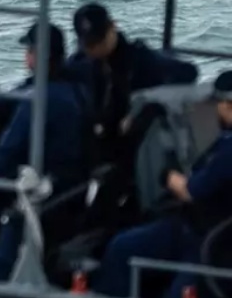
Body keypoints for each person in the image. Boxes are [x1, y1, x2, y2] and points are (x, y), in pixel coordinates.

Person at [0, 21, 91, 281]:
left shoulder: (37, 100)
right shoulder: (75, 88)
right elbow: (17, 94)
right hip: (72, 191)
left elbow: (4, 158)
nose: (25, 57)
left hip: (44, 197)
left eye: (29, 51)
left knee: (2, 214)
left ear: (38, 56)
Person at [92, 70, 232, 298]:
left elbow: (190, 191)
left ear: (227, 106)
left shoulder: (228, 151)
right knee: (122, 247)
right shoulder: (224, 143)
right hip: (189, 227)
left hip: (214, 245)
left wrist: (167, 175)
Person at [68, 2, 199, 166]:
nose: (96, 49)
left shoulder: (140, 59)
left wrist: (144, 103)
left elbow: (187, 72)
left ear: (113, 28)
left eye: (99, 41)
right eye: (89, 44)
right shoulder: (78, 65)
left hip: (130, 146)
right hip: (91, 145)